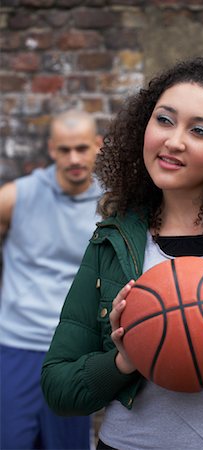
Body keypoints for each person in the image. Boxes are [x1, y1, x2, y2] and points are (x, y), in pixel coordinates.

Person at [41, 58, 203, 450]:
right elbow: (58, 388)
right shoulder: (112, 239)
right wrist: (122, 361)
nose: (173, 141)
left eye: (200, 130)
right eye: (164, 120)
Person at [0, 109, 103, 450]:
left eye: (82, 148)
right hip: (18, 343)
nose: (74, 158)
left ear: (97, 146)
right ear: (51, 149)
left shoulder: (112, 205)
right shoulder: (16, 198)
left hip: (72, 351)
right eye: (65, 150)